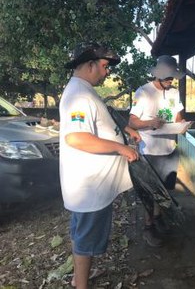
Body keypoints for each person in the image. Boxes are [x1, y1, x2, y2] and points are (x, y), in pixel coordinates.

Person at [59, 42, 140, 288]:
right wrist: (120, 147)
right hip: (90, 185)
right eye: (104, 66)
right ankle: (81, 284)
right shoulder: (78, 95)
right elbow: (76, 137)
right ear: (89, 64)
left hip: (92, 185)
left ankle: (78, 277)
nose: (107, 72)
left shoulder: (85, 90)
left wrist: (124, 129)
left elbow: (100, 120)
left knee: (81, 233)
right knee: (85, 238)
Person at [128, 55, 185, 247]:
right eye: (168, 78)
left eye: (172, 78)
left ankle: (159, 218)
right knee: (150, 191)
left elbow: (177, 115)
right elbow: (132, 122)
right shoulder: (143, 92)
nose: (171, 81)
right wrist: (150, 123)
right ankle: (148, 226)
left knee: (165, 190)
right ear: (158, 76)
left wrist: (181, 124)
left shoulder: (174, 93)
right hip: (150, 150)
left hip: (169, 148)